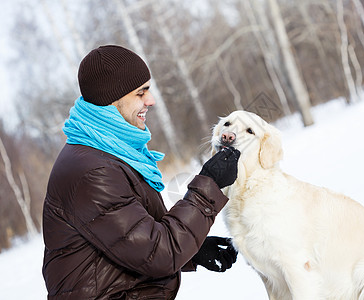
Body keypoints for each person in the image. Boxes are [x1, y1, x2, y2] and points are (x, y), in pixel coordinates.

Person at [42, 45, 241, 300]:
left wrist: (193, 250)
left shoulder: (106, 152)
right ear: (110, 99)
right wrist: (209, 185)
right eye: (141, 92)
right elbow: (159, 254)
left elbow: (133, 242)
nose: (151, 100)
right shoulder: (92, 173)